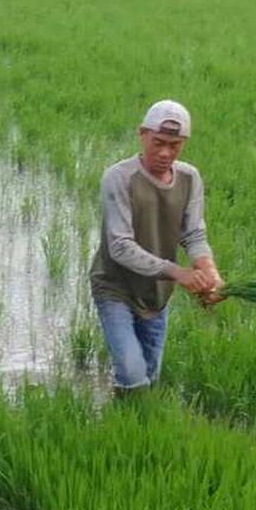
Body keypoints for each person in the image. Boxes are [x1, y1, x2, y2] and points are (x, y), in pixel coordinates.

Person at [89, 99, 223, 393]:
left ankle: (139, 421)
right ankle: (123, 423)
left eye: (174, 145)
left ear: (184, 142)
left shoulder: (189, 178)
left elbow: (194, 234)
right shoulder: (119, 178)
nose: (165, 152)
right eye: (158, 142)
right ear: (142, 134)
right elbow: (120, 246)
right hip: (115, 287)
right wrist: (178, 272)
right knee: (132, 373)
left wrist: (208, 272)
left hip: (157, 292)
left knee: (151, 375)